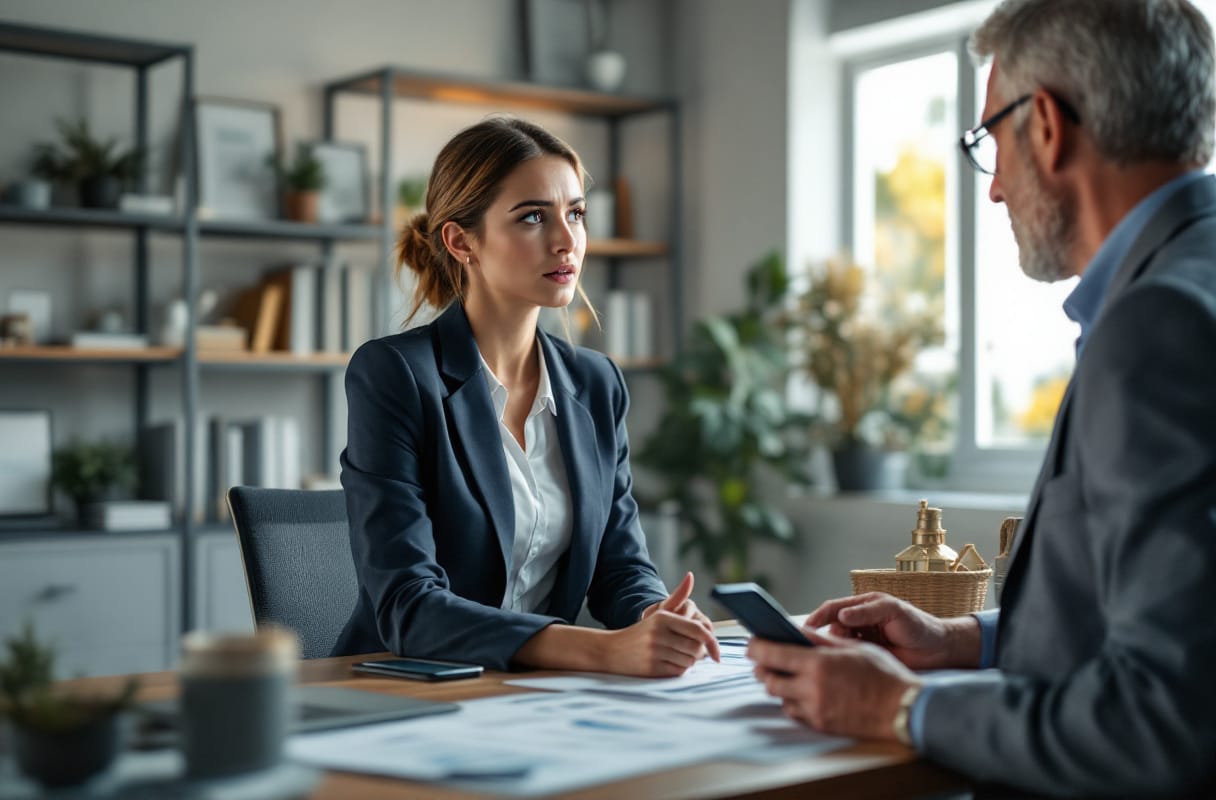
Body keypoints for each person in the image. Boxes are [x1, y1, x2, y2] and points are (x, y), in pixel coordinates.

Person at [748, 0, 1216, 795]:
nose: (994, 189)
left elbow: (1163, 716)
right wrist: (965, 640)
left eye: (989, 143)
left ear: (1045, 125)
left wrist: (900, 709)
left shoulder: (1156, 326)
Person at [334, 116, 720, 676]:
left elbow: (619, 568)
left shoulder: (596, 384)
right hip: (406, 687)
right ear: (461, 240)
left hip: (532, 693)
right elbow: (408, 607)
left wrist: (655, 615)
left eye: (576, 213)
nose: (567, 240)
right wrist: (601, 650)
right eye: (533, 216)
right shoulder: (395, 373)